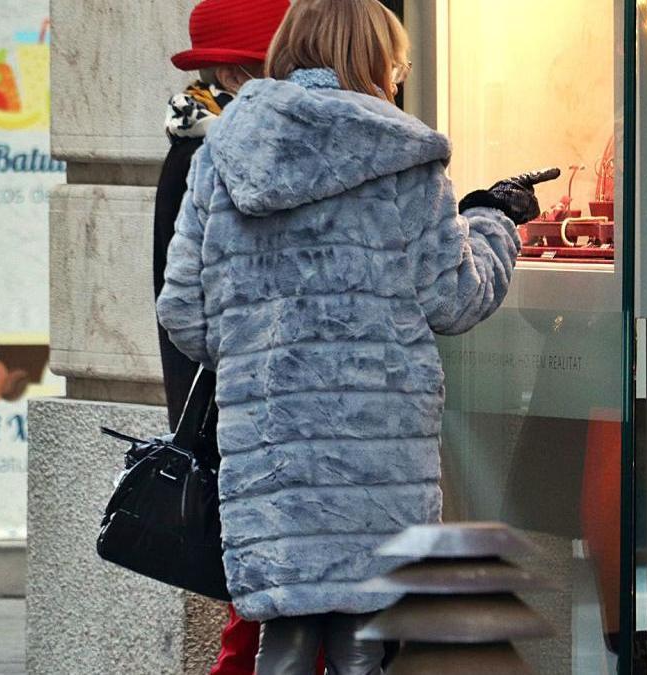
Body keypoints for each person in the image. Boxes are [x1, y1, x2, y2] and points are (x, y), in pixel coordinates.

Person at [156, 0, 548, 672]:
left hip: (271, 460)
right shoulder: (406, 157)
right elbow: (456, 295)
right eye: (396, 63)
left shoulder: (220, 151)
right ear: (373, 59)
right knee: (366, 646)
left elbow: (184, 311)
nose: (397, 78)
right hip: (376, 469)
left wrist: (263, 355)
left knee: (284, 641)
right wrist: (492, 218)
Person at [151, 1, 304, 673]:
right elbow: (187, 308)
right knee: (260, 622)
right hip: (246, 417)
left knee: (261, 617)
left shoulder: (206, 141)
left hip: (239, 413)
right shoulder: (215, 153)